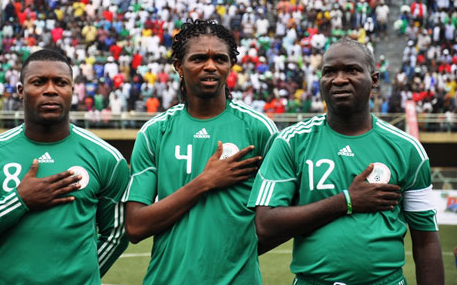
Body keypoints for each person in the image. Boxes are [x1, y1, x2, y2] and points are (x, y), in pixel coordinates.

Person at [249, 38, 444, 285]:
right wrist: (347, 201)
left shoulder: (407, 149)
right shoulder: (291, 142)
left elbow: (426, 241)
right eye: (329, 72)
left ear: (374, 79)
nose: (339, 79)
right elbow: (265, 225)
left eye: (351, 70)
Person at [124, 19, 278, 285]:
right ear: (178, 67)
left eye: (220, 58)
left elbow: (280, 220)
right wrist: (205, 182)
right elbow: (136, 226)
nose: (210, 66)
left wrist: (238, 255)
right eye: (198, 58)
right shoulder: (154, 132)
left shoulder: (259, 129)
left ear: (230, 65)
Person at [0, 49, 130, 284]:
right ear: (20, 91)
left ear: (71, 90)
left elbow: (116, 234)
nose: (50, 90)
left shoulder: (107, 158)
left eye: (61, 82)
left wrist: (79, 275)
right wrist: (18, 201)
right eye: (38, 82)